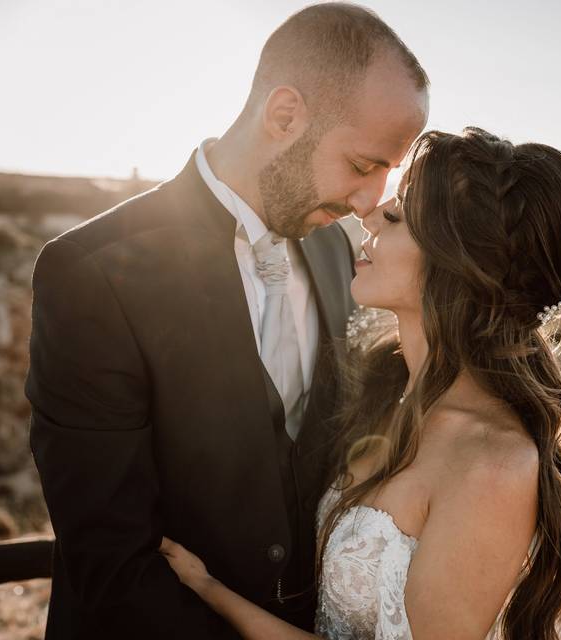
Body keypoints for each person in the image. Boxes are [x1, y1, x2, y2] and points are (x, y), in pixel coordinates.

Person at [24, 4, 428, 638]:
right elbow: (110, 560)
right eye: (361, 164)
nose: (369, 202)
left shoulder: (342, 252)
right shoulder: (90, 271)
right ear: (285, 115)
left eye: (387, 172)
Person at [159, 127, 561, 639]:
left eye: (396, 217)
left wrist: (212, 593)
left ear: (458, 268)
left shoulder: (493, 466)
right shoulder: (387, 393)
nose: (369, 215)